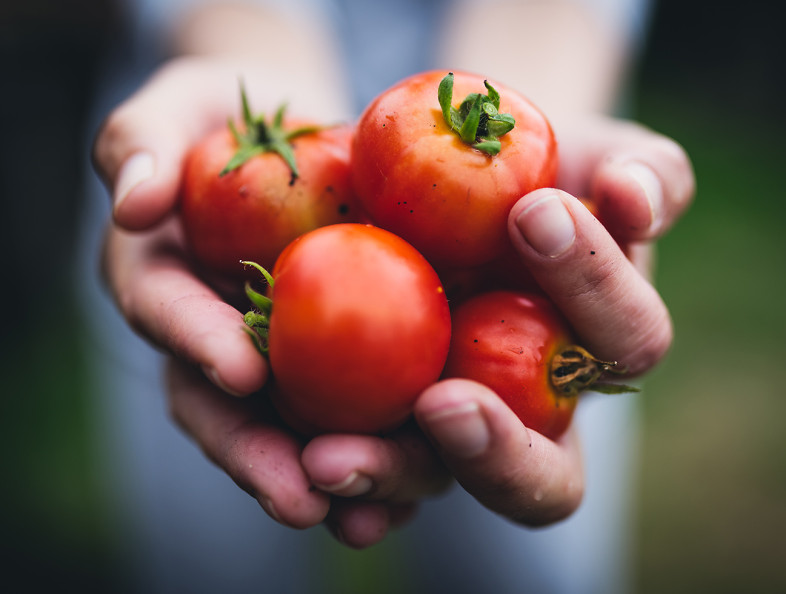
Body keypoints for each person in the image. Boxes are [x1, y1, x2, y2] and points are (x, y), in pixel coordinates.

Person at [83, 0, 694, 592]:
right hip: (212, 127)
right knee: (213, 565)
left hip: (521, 83)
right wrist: (245, 47)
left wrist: (541, 79)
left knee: (521, 573)